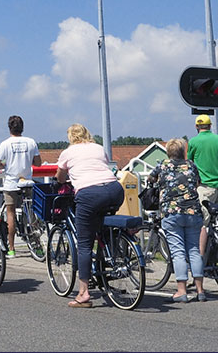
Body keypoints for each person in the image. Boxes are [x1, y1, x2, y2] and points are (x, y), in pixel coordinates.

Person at [54, 123, 123, 308]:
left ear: (70, 137)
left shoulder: (68, 152)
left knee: (84, 243)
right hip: (115, 189)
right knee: (103, 227)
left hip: (89, 194)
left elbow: (60, 177)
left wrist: (66, 178)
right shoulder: (98, 148)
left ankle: (83, 293)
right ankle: (108, 257)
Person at [156, 138, 206, 302]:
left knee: (178, 252)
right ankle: (200, 291)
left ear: (168, 152)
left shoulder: (163, 165)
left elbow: (152, 180)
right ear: (183, 151)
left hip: (172, 213)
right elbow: (198, 182)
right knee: (194, 250)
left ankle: (182, 291)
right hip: (193, 212)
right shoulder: (191, 165)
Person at [0, 114, 42, 258]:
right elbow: (38, 163)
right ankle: (37, 246)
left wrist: (3, 165)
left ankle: (11, 248)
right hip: (27, 183)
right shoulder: (31, 142)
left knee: (10, 214)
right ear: (22, 127)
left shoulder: (5, 144)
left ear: (9, 128)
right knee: (31, 213)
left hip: (11, 184)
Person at [187, 114, 218, 221]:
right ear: (210, 126)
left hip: (205, 187)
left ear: (196, 126)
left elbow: (189, 163)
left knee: (204, 222)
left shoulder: (193, 142)